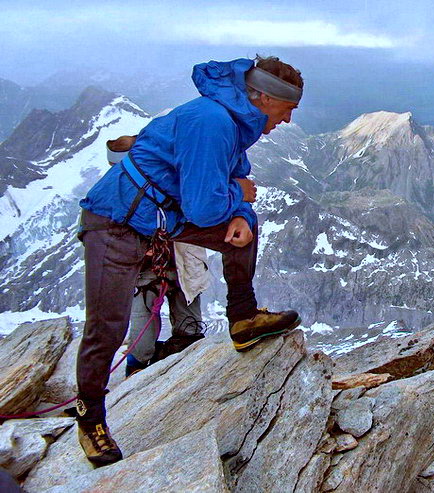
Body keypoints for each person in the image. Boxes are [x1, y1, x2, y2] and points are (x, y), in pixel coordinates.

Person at [75, 56, 303, 466]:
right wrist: (240, 200)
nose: (287, 120)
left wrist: (242, 213)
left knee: (242, 235)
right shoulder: (213, 121)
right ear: (266, 99)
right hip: (115, 222)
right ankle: (90, 417)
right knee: (106, 326)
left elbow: (234, 187)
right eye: (288, 109)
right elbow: (204, 207)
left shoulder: (234, 125)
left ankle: (243, 319)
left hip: (159, 219)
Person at [107, 135, 209, 377]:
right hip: (164, 267)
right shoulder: (169, 182)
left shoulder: (119, 193)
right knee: (158, 331)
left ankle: (143, 370)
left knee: (180, 330)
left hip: (173, 265)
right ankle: (144, 372)